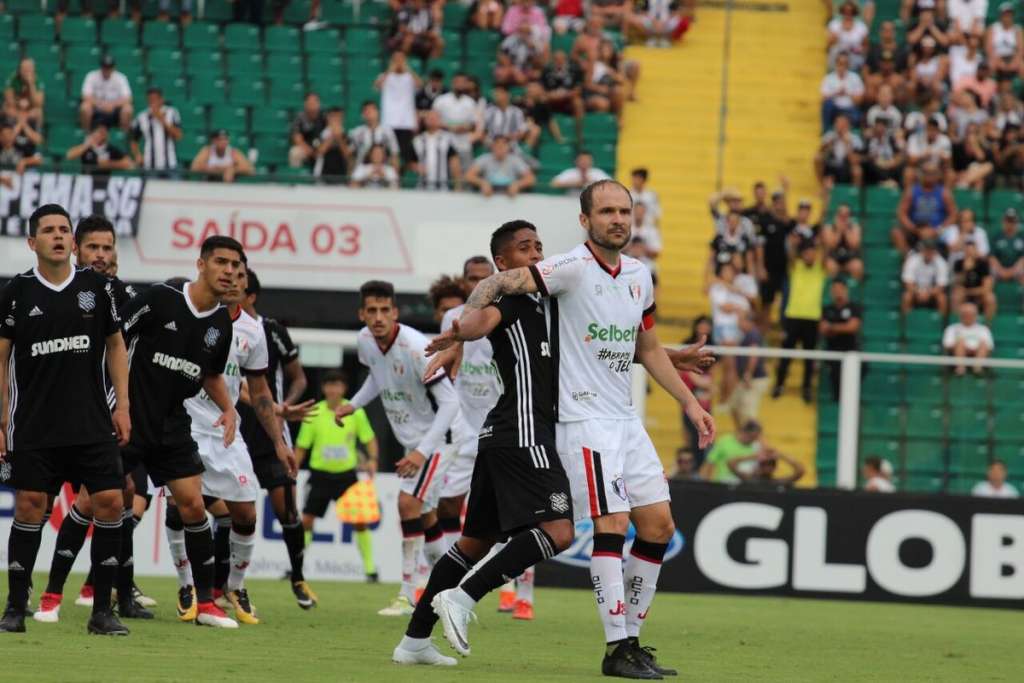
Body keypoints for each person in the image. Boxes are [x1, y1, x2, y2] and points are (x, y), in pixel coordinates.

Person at [426, 181, 716, 678]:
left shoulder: (640, 275)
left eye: (624, 211)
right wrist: (460, 327)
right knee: (612, 524)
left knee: (659, 527)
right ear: (585, 221)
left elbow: (643, 349)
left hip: (626, 418)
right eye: (606, 211)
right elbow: (501, 285)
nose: (617, 219)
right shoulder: (567, 268)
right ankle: (616, 648)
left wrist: (690, 403)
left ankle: (633, 642)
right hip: (581, 419)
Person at [0, 205, 131, 635]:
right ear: (32, 242)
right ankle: (16, 606)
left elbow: (116, 345)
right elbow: (1, 358)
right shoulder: (16, 291)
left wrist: (123, 405)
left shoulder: (95, 287)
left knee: (111, 502)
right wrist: (1, 418)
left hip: (91, 422)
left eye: (63, 230)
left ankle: (102, 612)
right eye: (48, 231)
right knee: (30, 507)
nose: (57, 236)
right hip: (35, 424)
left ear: (72, 242)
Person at [115, 236, 247, 628]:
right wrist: (112, 402)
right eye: (220, 262)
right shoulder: (159, 298)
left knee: (193, 505)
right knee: (99, 503)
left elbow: (209, 374)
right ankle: (70, 594)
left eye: (235, 265)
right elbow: (114, 340)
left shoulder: (221, 324)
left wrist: (228, 409)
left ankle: (205, 604)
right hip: (131, 418)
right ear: (201, 264)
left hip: (173, 424)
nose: (228, 271)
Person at [32, 215, 154, 624]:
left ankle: (102, 593)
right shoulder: (48, 291)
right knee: (62, 500)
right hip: (57, 416)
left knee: (119, 500)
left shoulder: (123, 294)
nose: (101, 255)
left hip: (113, 416)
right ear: (77, 249)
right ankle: (46, 592)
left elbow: (134, 344)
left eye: (108, 248)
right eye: (93, 248)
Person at [334, 280, 472, 617]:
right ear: (362, 314)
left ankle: (408, 594)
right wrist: (354, 405)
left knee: (407, 503)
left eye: (385, 310)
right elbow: (377, 377)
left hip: (440, 439)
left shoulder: (414, 348)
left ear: (395, 312)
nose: (378, 317)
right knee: (425, 515)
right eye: (372, 311)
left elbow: (451, 403)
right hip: (417, 441)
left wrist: (421, 452)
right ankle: (451, 591)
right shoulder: (366, 342)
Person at [177, 261, 296, 626]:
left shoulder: (253, 331)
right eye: (226, 271)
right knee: (185, 506)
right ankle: (188, 587)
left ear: (248, 288)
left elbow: (258, 390)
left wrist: (278, 441)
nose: (232, 280)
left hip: (227, 433)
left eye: (240, 276)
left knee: (245, 513)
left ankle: (235, 585)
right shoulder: (189, 314)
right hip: (184, 425)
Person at [234, 269, 317, 610]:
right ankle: (227, 585)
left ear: (251, 296)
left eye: (238, 289)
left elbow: (298, 377)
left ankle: (297, 577)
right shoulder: (218, 327)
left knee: (288, 512)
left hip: (271, 434)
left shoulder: (271, 331)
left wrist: (285, 407)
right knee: (230, 512)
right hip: (232, 434)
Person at [295, 371, 379, 582]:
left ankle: (370, 570)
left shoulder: (355, 411)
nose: (333, 390)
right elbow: (302, 446)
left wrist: (373, 459)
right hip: (320, 475)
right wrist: (293, 468)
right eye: (329, 385)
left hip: (346, 476)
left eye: (338, 385)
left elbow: (369, 439)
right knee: (306, 520)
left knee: (359, 521)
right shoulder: (315, 412)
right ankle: (297, 568)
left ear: (344, 388)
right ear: (324, 388)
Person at [773, 238, 826, 403]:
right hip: (793, 316)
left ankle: (807, 388)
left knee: (809, 358)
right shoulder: (796, 267)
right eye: (807, 253)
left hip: (812, 318)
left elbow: (827, 252)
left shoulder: (820, 269)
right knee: (786, 355)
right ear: (802, 255)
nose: (810, 256)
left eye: (812, 253)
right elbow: (790, 255)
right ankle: (779, 384)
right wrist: (794, 243)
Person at [893, 163, 957, 253]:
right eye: (926, 172)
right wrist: (915, 229)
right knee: (896, 232)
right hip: (916, 229)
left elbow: (953, 215)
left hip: (937, 230)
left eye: (932, 173)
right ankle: (909, 258)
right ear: (921, 174)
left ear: (938, 175)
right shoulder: (911, 191)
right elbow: (901, 213)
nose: (929, 176)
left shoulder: (944, 193)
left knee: (953, 235)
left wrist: (938, 230)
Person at [820, 279, 862, 401]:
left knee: (857, 375)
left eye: (840, 289)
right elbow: (822, 329)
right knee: (836, 380)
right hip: (832, 352)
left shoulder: (854, 307)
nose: (837, 292)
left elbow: (853, 327)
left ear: (845, 290)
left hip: (851, 351)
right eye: (834, 289)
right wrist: (842, 327)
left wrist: (832, 327)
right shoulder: (827, 309)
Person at [377, 52, 421, 167]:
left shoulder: (410, 77)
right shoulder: (385, 76)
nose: (398, 62)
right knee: (388, 153)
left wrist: (408, 69)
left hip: (406, 123)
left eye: (401, 59)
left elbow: (420, 85)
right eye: (396, 59)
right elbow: (377, 86)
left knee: (406, 155)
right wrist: (390, 70)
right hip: (388, 122)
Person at [432, 73, 483, 171]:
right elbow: (433, 121)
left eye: (462, 82)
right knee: (444, 169)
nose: (460, 85)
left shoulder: (470, 102)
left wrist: (464, 128)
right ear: (452, 83)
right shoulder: (441, 100)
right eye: (457, 82)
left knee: (465, 170)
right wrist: (450, 127)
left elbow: (474, 124)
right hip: (445, 141)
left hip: (464, 142)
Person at [729, 312, 771, 426]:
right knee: (734, 406)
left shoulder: (753, 335)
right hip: (747, 378)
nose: (737, 323)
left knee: (749, 414)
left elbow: (753, 355)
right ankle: (742, 435)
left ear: (748, 322)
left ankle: (754, 441)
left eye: (740, 320)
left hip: (754, 379)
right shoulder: (747, 335)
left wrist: (748, 374)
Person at [129, 87, 182, 173]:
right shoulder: (142, 116)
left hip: (170, 165)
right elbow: (134, 141)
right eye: (150, 99)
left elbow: (178, 136)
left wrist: (162, 119)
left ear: (161, 99)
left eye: (155, 99)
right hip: (150, 166)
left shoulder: (172, 113)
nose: (152, 102)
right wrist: (138, 155)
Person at [464, 136, 536, 197]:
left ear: (508, 147)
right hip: (489, 195)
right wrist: (482, 183)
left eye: (503, 145)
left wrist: (518, 184)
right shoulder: (484, 158)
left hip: (509, 196)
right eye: (497, 145)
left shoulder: (515, 160)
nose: (500, 148)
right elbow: (469, 175)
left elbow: (531, 178)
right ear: (492, 147)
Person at [79, 55, 133, 132]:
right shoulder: (91, 76)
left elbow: (128, 98)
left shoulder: (121, 78)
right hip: (96, 107)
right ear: (101, 67)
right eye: (105, 67)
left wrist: (112, 105)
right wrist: (101, 104)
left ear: (113, 67)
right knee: (85, 107)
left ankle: (123, 136)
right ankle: (86, 133)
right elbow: (85, 96)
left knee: (128, 109)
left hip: (115, 109)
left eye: (109, 67)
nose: (107, 69)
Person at [412, 110, 462, 190]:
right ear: (424, 121)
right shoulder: (417, 140)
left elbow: (455, 163)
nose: (432, 120)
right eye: (429, 118)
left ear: (440, 120)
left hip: (443, 188)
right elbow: (410, 162)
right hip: (422, 188)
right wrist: (415, 167)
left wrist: (458, 186)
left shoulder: (448, 139)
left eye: (435, 118)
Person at [942, 301, 993, 375]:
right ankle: (960, 367)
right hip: (956, 354)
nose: (968, 316)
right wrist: (964, 347)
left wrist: (972, 350)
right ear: (960, 315)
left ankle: (977, 368)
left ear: (975, 315)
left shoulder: (983, 329)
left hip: (978, 353)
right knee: (960, 342)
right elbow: (947, 344)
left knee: (983, 344)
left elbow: (989, 346)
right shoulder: (952, 328)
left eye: (971, 314)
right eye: (965, 314)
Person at [901, 239, 950, 315]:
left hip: (933, 293)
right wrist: (918, 292)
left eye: (931, 250)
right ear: (922, 250)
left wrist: (928, 293)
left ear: (935, 251)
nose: (928, 252)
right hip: (915, 291)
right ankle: (905, 324)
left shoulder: (941, 262)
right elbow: (908, 283)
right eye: (926, 250)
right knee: (906, 297)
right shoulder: (912, 260)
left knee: (942, 299)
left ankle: (941, 325)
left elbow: (941, 286)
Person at [815, 113, 864, 188]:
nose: (840, 126)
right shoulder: (829, 136)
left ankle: (854, 193)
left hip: (847, 167)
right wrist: (828, 146)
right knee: (818, 158)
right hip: (832, 166)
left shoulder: (855, 139)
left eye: (842, 124)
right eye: (838, 123)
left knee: (857, 171)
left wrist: (847, 145)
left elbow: (854, 161)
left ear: (848, 125)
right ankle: (822, 186)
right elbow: (820, 153)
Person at [349, 100, 400, 168]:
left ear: (378, 112)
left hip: (383, 170)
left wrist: (394, 174)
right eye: (366, 111)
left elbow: (394, 154)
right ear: (362, 115)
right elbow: (349, 155)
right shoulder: (356, 132)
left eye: (372, 110)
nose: (369, 113)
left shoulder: (387, 131)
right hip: (362, 170)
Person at [66, 122, 134, 174]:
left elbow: (130, 165)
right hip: (86, 181)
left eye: (104, 133)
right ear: (92, 133)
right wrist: (86, 146)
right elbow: (69, 155)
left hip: (103, 181)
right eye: (99, 132)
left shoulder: (111, 149)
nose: (102, 135)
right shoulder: (86, 147)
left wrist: (109, 164)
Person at [952, 240, 996, 319]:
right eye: (967, 251)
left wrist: (969, 291)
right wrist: (965, 270)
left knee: (990, 298)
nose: (969, 253)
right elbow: (957, 284)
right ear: (964, 252)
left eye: (971, 251)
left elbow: (987, 288)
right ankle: (957, 324)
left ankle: (987, 327)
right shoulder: (958, 263)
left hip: (979, 294)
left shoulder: (983, 263)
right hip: (964, 295)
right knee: (956, 296)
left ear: (976, 251)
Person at [820, 52, 865, 128]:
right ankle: (826, 129)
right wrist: (836, 93)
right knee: (827, 105)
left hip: (849, 109)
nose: (842, 66)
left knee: (858, 117)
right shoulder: (828, 78)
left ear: (848, 65)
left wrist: (847, 93)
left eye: (845, 64)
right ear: (836, 64)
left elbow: (859, 101)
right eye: (840, 63)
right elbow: (823, 98)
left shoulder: (855, 78)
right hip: (834, 109)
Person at [822, 203, 864, 281]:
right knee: (830, 266)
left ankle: (855, 290)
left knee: (857, 266)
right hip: (834, 257)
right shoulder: (829, 227)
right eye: (841, 215)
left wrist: (846, 231)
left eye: (846, 215)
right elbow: (831, 245)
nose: (843, 218)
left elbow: (854, 245)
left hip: (850, 257)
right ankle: (832, 290)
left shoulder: (855, 227)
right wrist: (838, 231)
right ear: (837, 215)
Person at [727, 449, 805, 488]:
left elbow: (800, 471)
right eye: (764, 464)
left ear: (774, 467)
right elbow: (730, 463)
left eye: (771, 464)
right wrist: (754, 456)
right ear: (759, 465)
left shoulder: (778, 483)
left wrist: (781, 456)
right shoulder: (749, 479)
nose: (767, 467)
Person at [313, 107, 354, 182]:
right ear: (328, 118)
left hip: (342, 176)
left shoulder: (348, 136)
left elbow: (348, 157)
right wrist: (332, 136)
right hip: (322, 175)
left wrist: (339, 138)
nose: (336, 120)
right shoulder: (320, 135)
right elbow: (317, 154)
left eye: (339, 117)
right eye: (334, 117)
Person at [986, 3, 1024, 82]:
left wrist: (1015, 61)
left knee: (1022, 67)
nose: (1007, 18)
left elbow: (1021, 50)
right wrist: (998, 61)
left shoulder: (1017, 30)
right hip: (997, 57)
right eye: (1005, 15)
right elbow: (988, 48)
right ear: (1000, 16)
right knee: (990, 65)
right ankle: (990, 91)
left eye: (1009, 15)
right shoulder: (993, 28)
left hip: (1012, 57)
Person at [288, 92, 327, 169]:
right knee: (295, 152)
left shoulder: (324, 117)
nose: (312, 105)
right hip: (305, 148)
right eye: (310, 102)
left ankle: (328, 179)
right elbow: (297, 138)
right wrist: (310, 151)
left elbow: (330, 135)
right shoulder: (300, 117)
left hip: (322, 148)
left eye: (315, 102)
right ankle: (296, 178)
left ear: (319, 103)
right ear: (305, 104)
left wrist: (321, 149)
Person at [989, 208, 1024, 285]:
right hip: (999, 268)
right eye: (1008, 221)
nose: (1010, 224)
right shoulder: (997, 237)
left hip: (1017, 268)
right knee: (988, 280)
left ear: (1016, 222)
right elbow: (992, 257)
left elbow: (1022, 258)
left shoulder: (1021, 237)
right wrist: (1001, 270)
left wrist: (1013, 271)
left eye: (1012, 221)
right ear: (1004, 221)